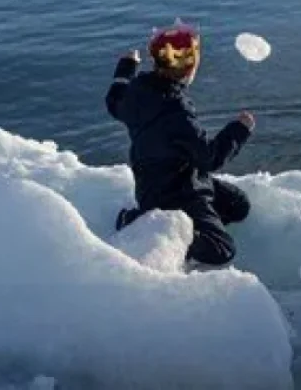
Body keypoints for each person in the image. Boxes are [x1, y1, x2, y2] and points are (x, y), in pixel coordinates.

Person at [105, 21, 256, 268]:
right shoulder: (177, 114)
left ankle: (192, 223)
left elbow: (114, 102)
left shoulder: (137, 92)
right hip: (176, 193)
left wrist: (127, 67)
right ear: (191, 68)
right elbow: (210, 159)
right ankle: (145, 224)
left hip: (165, 180)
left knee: (238, 205)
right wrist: (239, 129)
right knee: (223, 249)